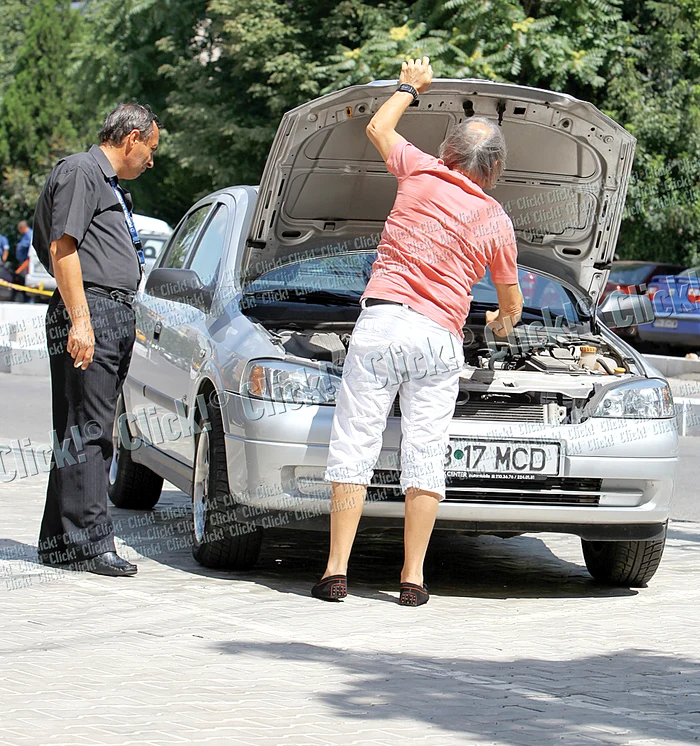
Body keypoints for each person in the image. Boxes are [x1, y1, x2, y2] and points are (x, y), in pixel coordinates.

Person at [312, 58, 523, 606]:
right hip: (437, 337)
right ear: (494, 171)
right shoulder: (496, 220)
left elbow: (377, 127)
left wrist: (411, 85)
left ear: (449, 154)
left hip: (382, 323)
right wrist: (500, 323)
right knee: (425, 454)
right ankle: (412, 578)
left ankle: (336, 570)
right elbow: (510, 300)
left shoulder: (420, 170)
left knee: (355, 443)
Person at [33, 103, 160, 577]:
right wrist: (82, 318)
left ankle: (59, 542)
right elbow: (60, 245)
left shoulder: (104, 183)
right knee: (91, 433)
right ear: (131, 139)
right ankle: (89, 544)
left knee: (76, 431)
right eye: (151, 148)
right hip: (90, 312)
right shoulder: (82, 171)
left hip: (105, 310)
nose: (152, 160)